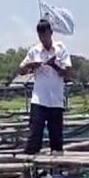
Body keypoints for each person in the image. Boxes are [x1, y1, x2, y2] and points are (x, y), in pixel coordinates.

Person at [19, 19, 71, 156]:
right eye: (40, 36)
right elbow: (21, 70)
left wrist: (54, 65)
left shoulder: (60, 48)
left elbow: (68, 72)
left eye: (46, 35)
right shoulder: (34, 51)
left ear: (51, 33)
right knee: (34, 136)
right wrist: (32, 65)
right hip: (39, 100)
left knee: (56, 139)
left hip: (56, 101)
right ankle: (30, 170)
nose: (43, 39)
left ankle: (57, 171)